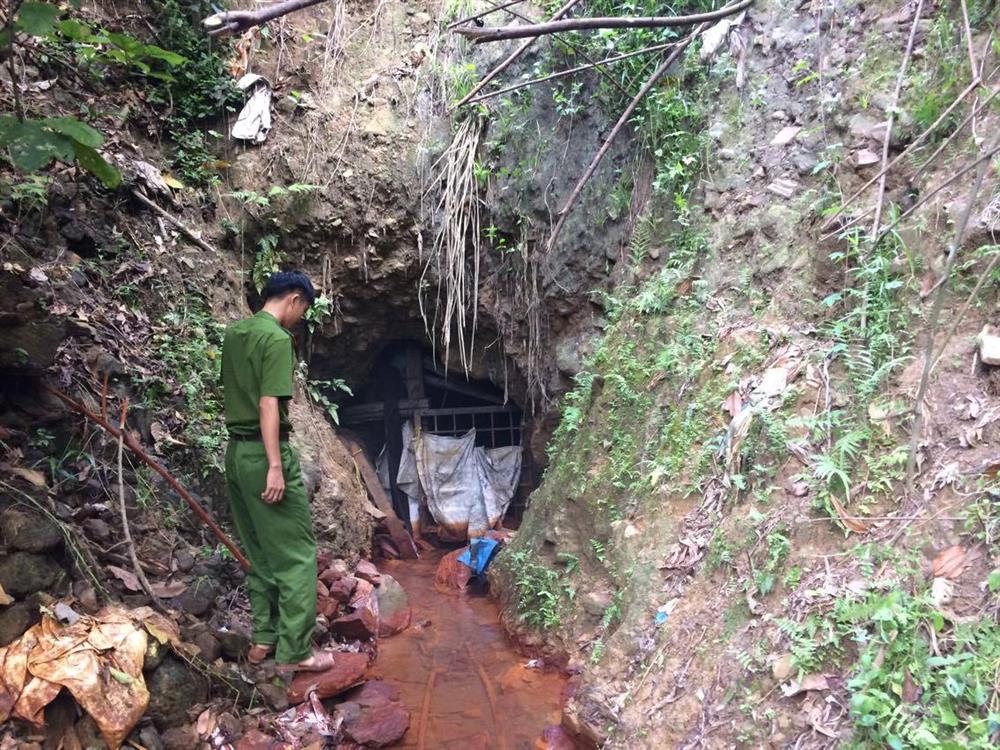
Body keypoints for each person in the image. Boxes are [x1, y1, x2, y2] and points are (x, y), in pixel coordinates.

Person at [221, 270, 333, 673]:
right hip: (263, 453)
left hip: (235, 455)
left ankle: (263, 640)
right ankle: (297, 651)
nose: (300, 319)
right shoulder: (277, 339)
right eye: (303, 310)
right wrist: (274, 465)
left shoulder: (235, 335)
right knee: (298, 554)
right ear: (294, 300)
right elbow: (269, 404)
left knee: (259, 550)